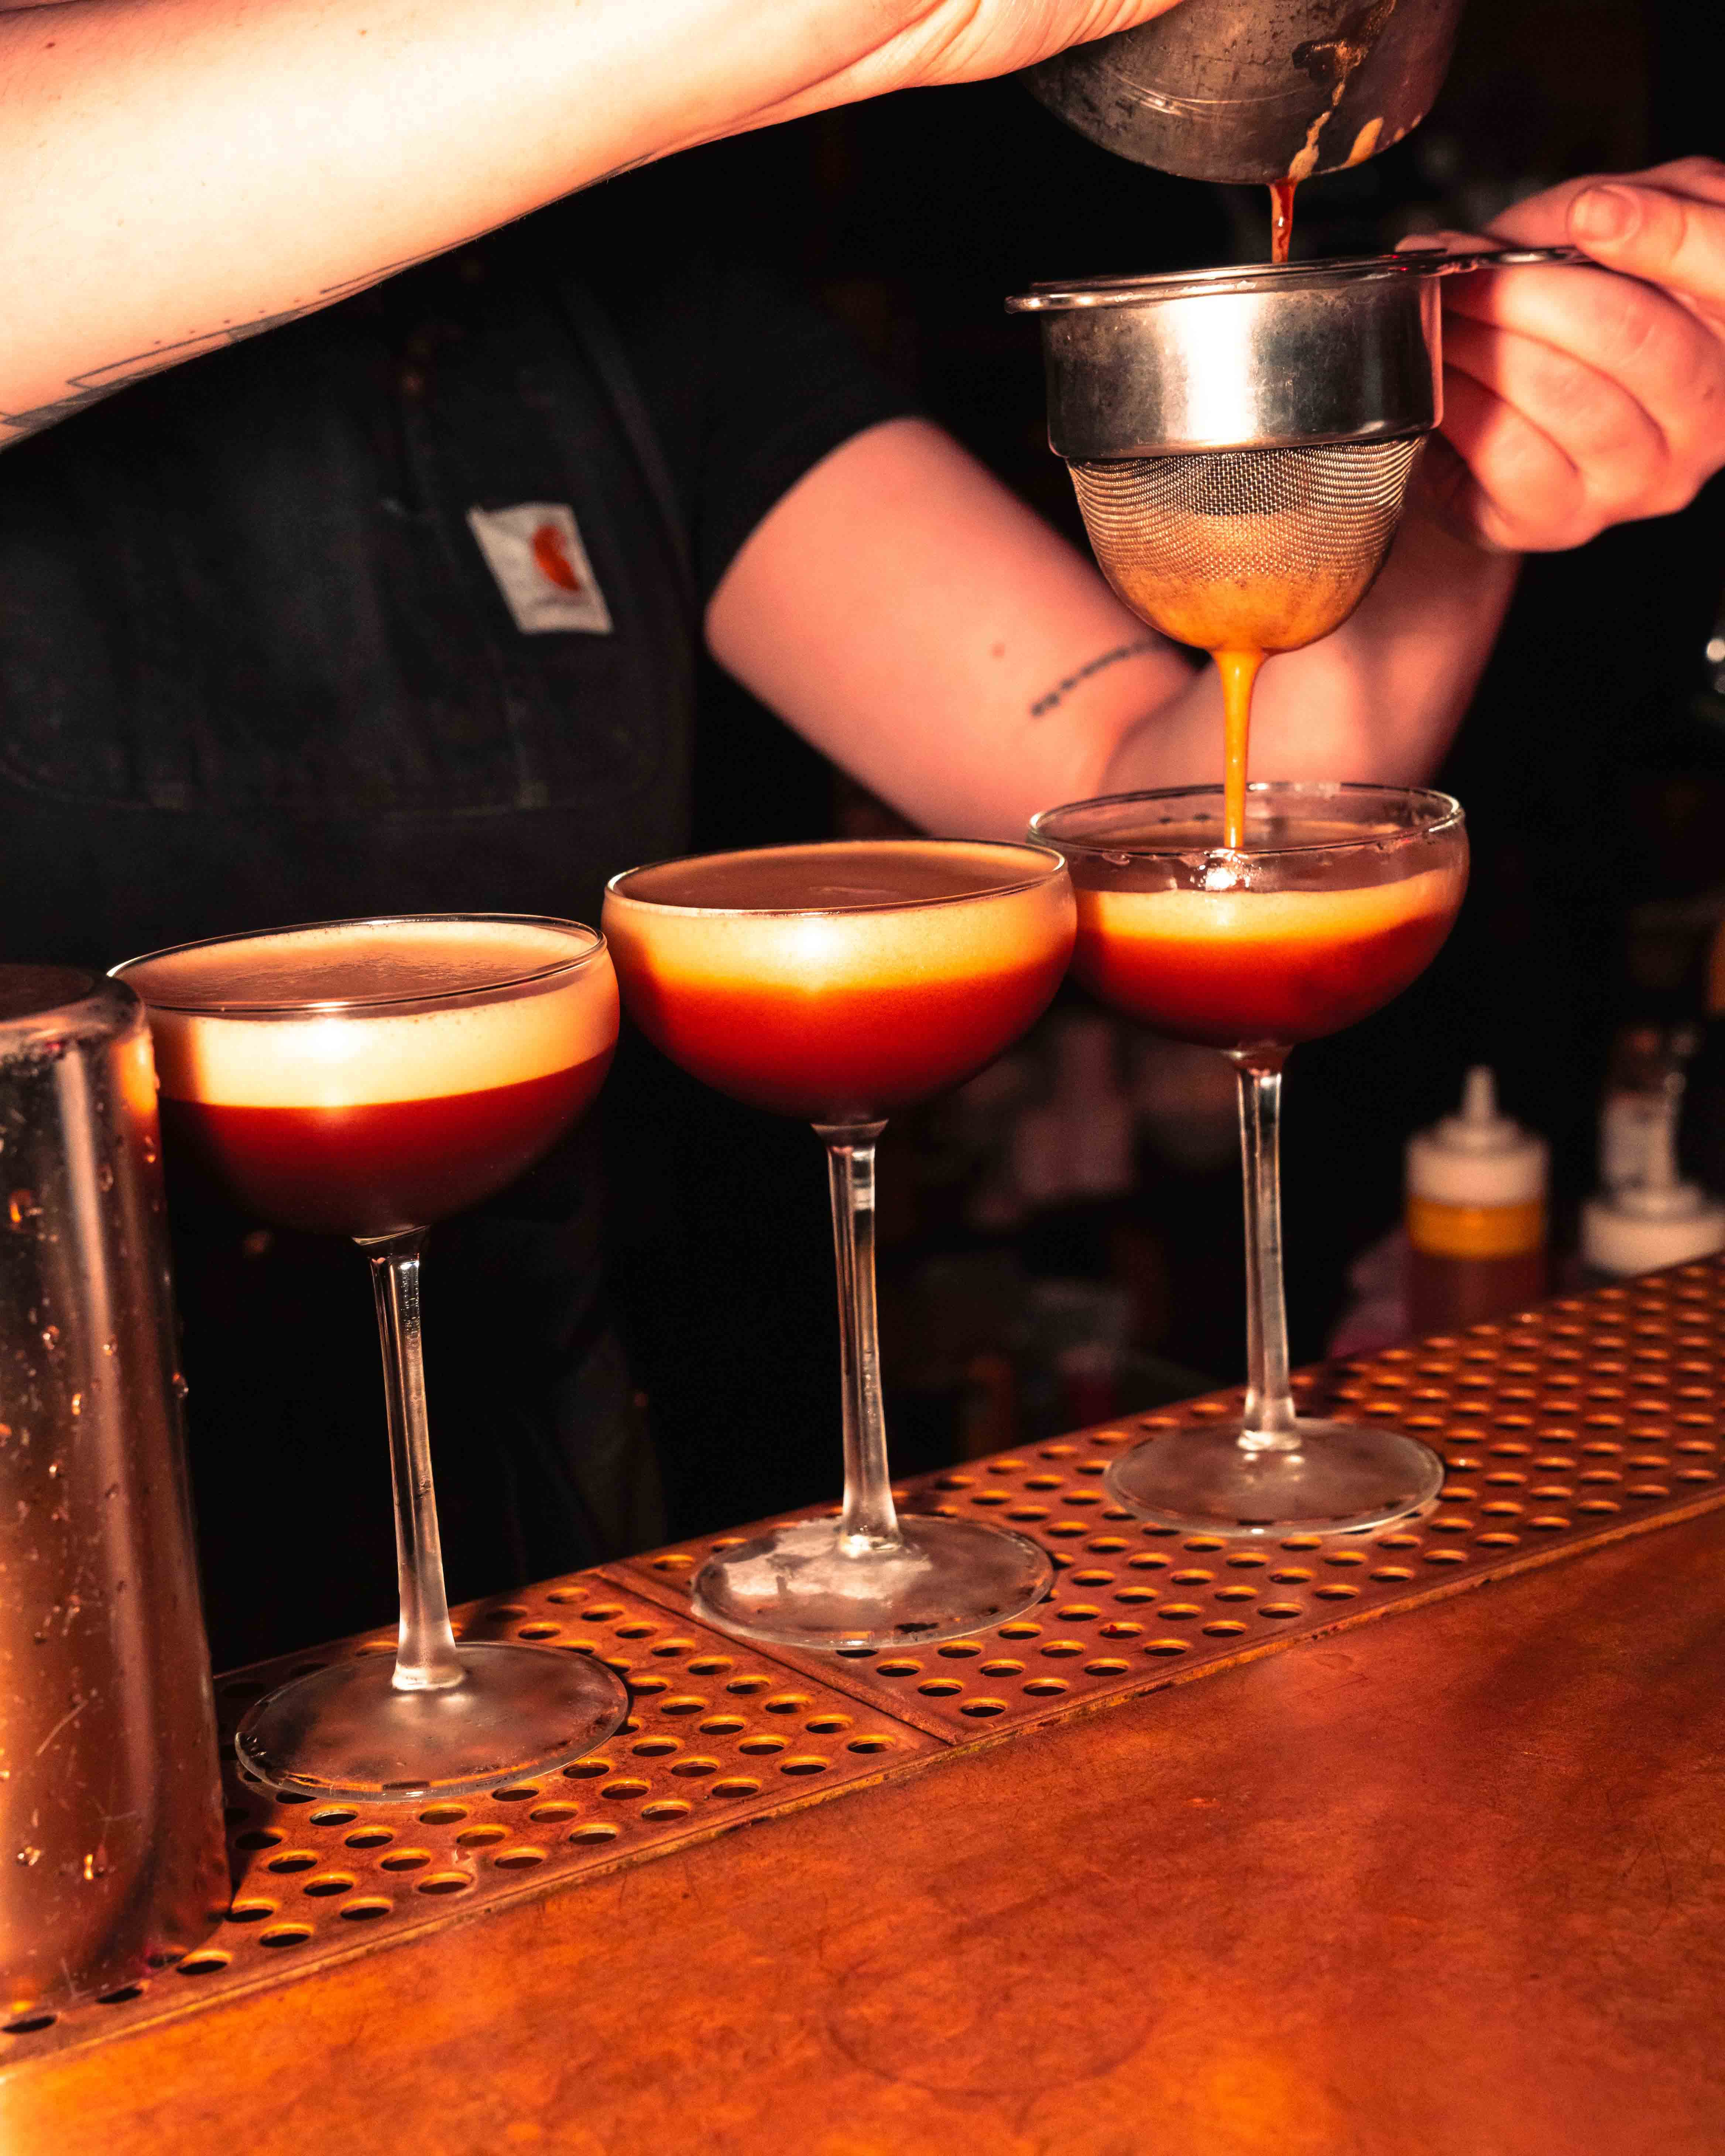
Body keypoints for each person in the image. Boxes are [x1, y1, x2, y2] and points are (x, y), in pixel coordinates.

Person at [3, 0, 1725, 1657]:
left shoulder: (621, 312)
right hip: (56, 1615)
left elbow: (1181, 781)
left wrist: (1427, 470)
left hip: (554, 1590)